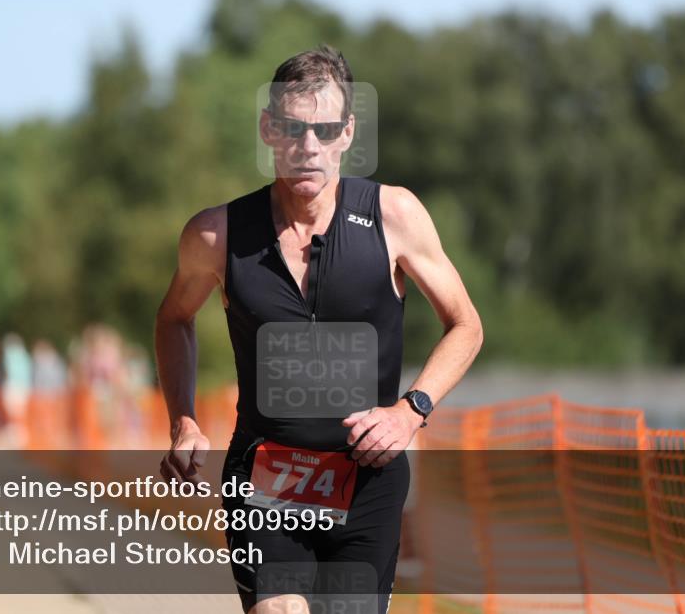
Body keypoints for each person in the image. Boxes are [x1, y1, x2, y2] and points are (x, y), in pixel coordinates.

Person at [155, 46, 483, 614]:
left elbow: (466, 325)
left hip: (368, 483)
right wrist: (183, 420)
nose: (308, 147)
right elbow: (174, 318)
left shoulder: (394, 216)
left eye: (325, 129)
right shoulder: (216, 235)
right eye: (292, 128)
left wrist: (410, 411)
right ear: (268, 129)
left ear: (347, 132)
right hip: (265, 477)